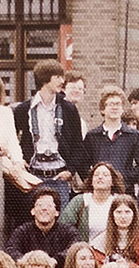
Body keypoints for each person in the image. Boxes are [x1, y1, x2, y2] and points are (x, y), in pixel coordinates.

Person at [12, 59, 86, 218]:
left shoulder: (68, 109)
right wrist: (19, 161)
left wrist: (70, 170)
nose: (62, 81)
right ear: (45, 79)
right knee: (34, 220)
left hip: (59, 176)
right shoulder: (24, 109)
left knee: (62, 222)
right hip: (33, 176)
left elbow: (78, 145)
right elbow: (11, 139)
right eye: (57, 77)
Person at [83, 87, 139, 195]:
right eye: (110, 104)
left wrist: (125, 179)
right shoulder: (92, 136)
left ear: (122, 108)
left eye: (118, 104)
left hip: (125, 193)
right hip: (98, 193)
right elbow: (84, 165)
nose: (115, 107)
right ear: (102, 109)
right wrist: (96, 181)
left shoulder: (133, 135)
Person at [5, 188, 82, 268]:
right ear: (32, 211)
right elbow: (11, 249)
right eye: (40, 205)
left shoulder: (67, 231)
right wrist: (29, 262)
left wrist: (56, 260)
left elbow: (75, 247)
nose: (44, 209)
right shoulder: (23, 231)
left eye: (49, 205)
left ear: (57, 212)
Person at [60, 163, 127, 243]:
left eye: (105, 175)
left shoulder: (120, 202)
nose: (100, 177)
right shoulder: (80, 201)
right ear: (91, 181)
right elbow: (63, 227)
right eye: (96, 175)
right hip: (86, 252)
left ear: (112, 182)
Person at [89, 194, 139, 268]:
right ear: (112, 215)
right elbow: (97, 267)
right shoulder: (100, 241)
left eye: (127, 212)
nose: (123, 216)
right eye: (118, 212)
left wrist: (129, 266)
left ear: (134, 215)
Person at [63, 70, 89, 139]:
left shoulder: (81, 122)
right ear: (63, 89)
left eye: (80, 89)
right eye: (73, 87)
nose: (77, 91)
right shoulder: (58, 112)